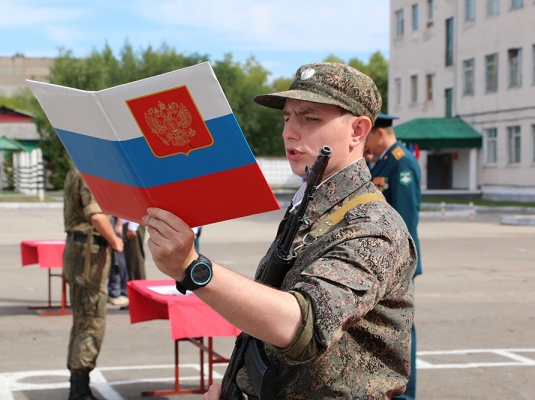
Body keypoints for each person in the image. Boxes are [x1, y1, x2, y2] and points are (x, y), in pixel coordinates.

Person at [143, 62, 417, 399]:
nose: (289, 132)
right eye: (287, 118)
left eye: (309, 118)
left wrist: (193, 268)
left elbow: (302, 324)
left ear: (358, 131)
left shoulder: (373, 225)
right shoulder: (313, 205)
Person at [365, 113, 422, 400]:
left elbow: (406, 219)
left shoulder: (402, 163)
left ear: (379, 132)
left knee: (400, 330)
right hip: (382, 261)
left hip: (396, 263)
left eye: (366, 136)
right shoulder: (383, 161)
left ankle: (404, 395)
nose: (364, 143)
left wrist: (396, 263)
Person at [63, 165, 124, 400]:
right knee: (91, 319)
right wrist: (116, 241)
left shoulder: (76, 168)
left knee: (83, 319)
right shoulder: (88, 170)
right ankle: (80, 391)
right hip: (88, 253)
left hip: (80, 248)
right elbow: (96, 215)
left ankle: (78, 385)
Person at [107, 217, 130, 307]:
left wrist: (119, 222)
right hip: (109, 220)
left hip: (114, 219)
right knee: (114, 258)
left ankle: (117, 291)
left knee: (117, 259)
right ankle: (115, 290)